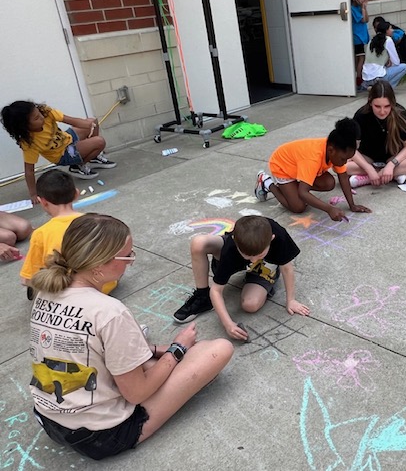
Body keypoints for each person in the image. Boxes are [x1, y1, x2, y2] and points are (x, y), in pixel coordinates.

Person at [29, 213, 233, 460]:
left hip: (50, 419)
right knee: (218, 349)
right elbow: (136, 394)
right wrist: (177, 349)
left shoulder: (47, 292)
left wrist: (157, 351)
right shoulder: (109, 311)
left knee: (147, 358)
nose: (131, 262)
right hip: (102, 435)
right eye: (127, 256)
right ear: (99, 264)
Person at [172, 215, 307, 340]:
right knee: (198, 242)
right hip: (236, 251)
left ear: (272, 239)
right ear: (234, 240)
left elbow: (287, 268)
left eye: (259, 255)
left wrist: (291, 300)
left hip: (265, 266)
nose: (253, 260)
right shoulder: (231, 249)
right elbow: (216, 290)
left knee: (250, 305)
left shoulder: (279, 236)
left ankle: (262, 269)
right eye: (248, 256)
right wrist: (228, 324)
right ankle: (202, 297)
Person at [20, 169, 117, 300]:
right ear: (76, 194)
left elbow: (27, 277)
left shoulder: (41, 233)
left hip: (67, 294)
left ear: (42, 201)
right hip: (103, 286)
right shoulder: (95, 222)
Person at [254, 118, 372, 221]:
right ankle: (267, 183)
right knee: (298, 207)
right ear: (331, 150)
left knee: (329, 183)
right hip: (282, 166)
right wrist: (329, 209)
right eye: (343, 159)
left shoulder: (336, 149)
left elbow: (343, 177)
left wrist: (352, 205)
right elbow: (303, 192)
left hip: (298, 166)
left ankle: (292, 188)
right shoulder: (313, 158)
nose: (344, 162)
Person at [1, 101, 116, 202]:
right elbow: (29, 170)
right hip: (64, 154)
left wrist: (88, 125)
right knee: (99, 142)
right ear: (24, 126)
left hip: (67, 138)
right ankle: (78, 165)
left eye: (39, 114)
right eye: (36, 118)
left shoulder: (46, 113)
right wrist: (33, 193)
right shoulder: (29, 142)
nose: (41, 118)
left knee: (92, 120)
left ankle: (93, 157)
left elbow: (70, 120)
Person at [348, 81, 406, 188]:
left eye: (387, 106)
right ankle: (392, 174)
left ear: (392, 103)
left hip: (393, 156)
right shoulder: (361, 115)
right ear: (370, 102)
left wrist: (391, 165)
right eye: (377, 106)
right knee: (338, 164)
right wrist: (369, 169)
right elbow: (352, 148)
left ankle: (371, 176)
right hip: (368, 157)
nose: (382, 111)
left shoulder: (399, 113)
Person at [361, 21, 406, 88]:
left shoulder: (371, 40)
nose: (392, 31)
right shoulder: (388, 40)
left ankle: (374, 87)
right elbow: (396, 62)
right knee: (404, 67)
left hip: (366, 78)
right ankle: (386, 89)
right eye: (390, 29)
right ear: (386, 31)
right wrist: (389, 63)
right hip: (379, 76)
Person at [351, 0, 370, 89]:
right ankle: (359, 78)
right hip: (357, 37)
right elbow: (362, 20)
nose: (363, 0)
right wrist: (363, 8)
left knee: (360, 57)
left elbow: (366, 19)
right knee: (360, 57)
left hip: (362, 36)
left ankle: (359, 77)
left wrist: (364, 8)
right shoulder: (352, 9)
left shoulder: (360, 8)